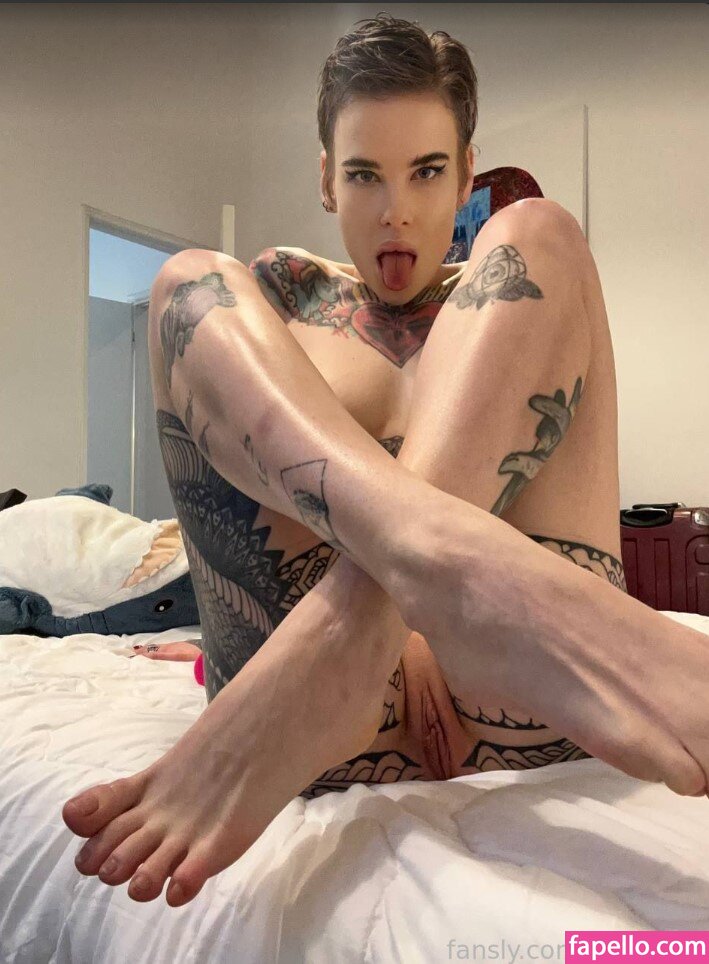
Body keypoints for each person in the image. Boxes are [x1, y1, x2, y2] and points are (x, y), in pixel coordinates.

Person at [62, 13, 709, 908]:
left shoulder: (516, 288)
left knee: (542, 228)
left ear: (466, 174)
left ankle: (343, 641)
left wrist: (338, 632)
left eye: (426, 172)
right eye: (364, 173)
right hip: (365, 716)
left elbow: (524, 248)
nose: (395, 208)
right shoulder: (283, 299)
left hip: (375, 710)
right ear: (326, 180)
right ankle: (451, 570)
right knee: (187, 279)